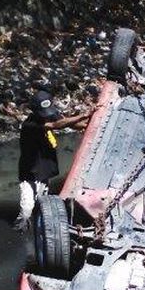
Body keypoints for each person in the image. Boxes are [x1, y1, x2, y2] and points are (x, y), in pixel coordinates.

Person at [15, 90, 91, 231]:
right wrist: (83, 115)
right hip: (30, 172)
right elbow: (56, 125)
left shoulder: (49, 115)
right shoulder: (29, 125)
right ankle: (21, 227)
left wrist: (89, 124)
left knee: (43, 201)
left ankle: (39, 226)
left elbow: (68, 124)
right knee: (27, 208)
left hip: (44, 168)